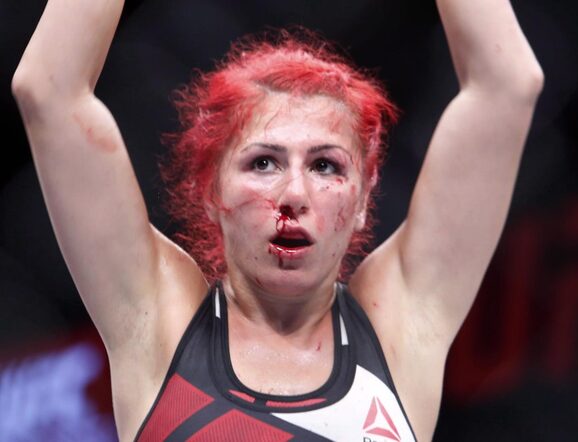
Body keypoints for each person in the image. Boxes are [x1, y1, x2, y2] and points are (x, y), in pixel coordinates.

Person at [11, 1, 543, 441]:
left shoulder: (398, 326)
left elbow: (508, 85)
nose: (293, 195)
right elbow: (49, 90)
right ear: (211, 190)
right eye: (263, 163)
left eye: (325, 166)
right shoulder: (156, 321)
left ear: (362, 199)